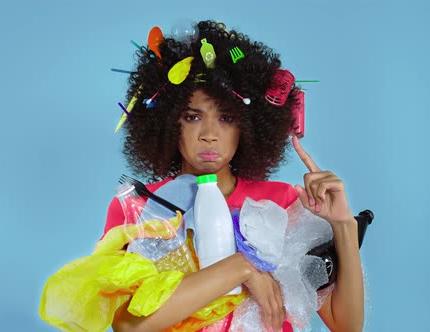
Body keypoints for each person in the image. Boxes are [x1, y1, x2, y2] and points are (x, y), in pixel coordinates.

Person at [104, 20, 364, 332]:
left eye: (226, 117)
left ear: (248, 127)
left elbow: (346, 325)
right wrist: (240, 268)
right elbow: (129, 326)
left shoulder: (282, 203)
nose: (210, 134)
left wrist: (343, 226)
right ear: (169, 122)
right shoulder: (139, 207)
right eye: (193, 116)